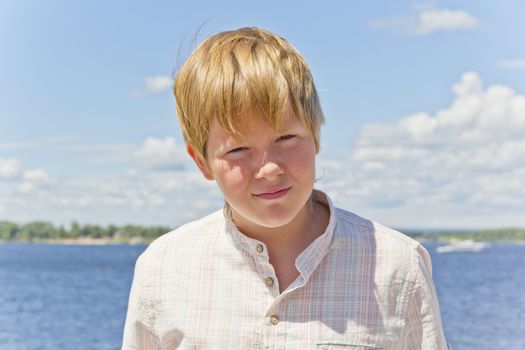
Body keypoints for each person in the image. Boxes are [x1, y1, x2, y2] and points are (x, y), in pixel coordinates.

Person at [122, 27, 449, 349]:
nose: (269, 169)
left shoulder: (397, 266)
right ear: (202, 162)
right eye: (238, 150)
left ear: (316, 135)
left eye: (286, 138)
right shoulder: (162, 269)